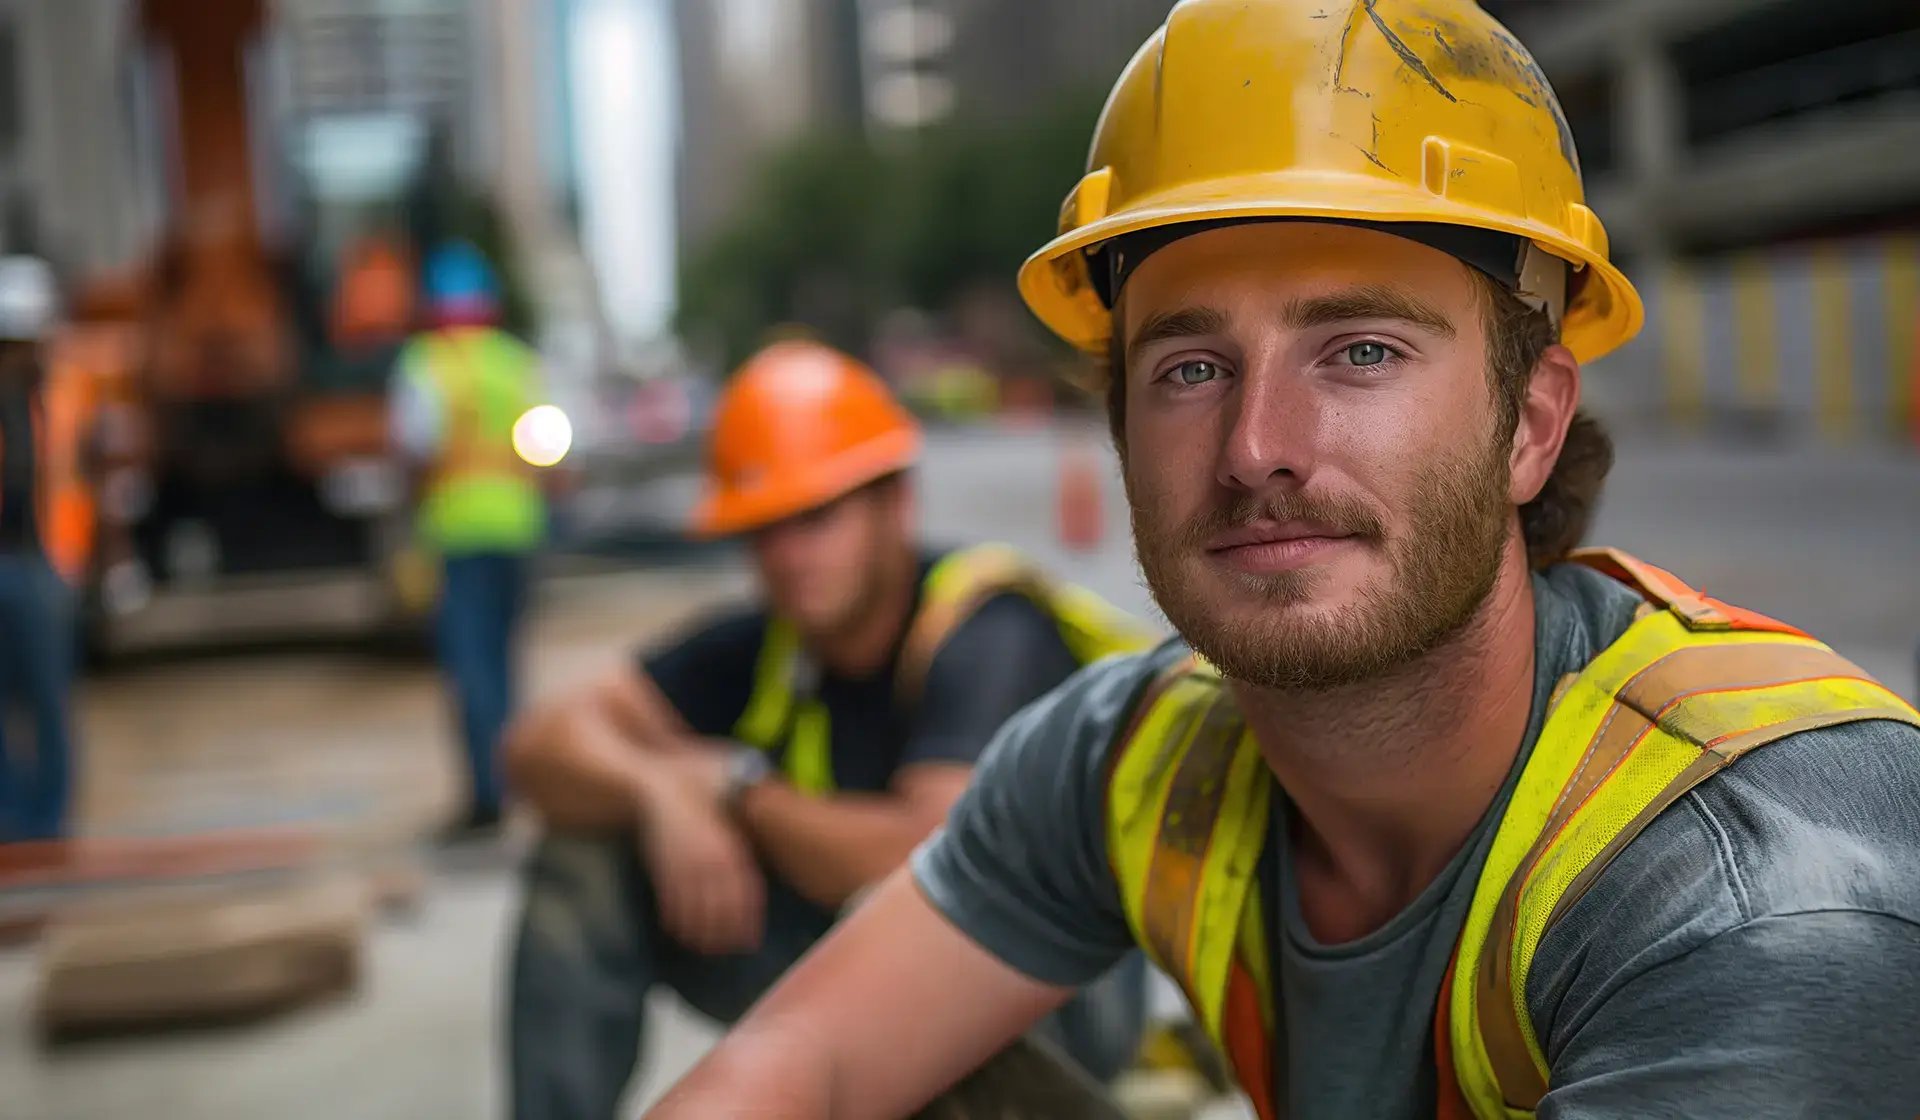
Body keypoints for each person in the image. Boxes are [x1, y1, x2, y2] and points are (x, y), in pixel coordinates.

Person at [647, 3, 1920, 1118]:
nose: (1257, 447)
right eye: (1190, 369)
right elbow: (795, 1065)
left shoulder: (1760, 901)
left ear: (1529, 422)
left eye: (1360, 349)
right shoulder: (1136, 757)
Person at [503, 339, 1157, 1120]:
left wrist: (737, 794)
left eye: (816, 518)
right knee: (586, 853)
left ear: (896, 505)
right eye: (764, 528)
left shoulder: (988, 632)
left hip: (1053, 1005)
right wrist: (661, 788)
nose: (787, 556)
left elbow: (932, 868)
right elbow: (538, 748)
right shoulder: (771, 641)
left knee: (889, 920)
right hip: (872, 980)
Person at [390, 241, 552, 834]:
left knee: (472, 668)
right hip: (517, 529)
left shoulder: (424, 366)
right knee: (506, 667)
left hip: (457, 533)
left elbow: (414, 450)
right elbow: (554, 449)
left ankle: (488, 797)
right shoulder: (515, 362)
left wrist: (408, 518)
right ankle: (517, 784)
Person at [0, 255, 92, 842]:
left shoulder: (61, 395)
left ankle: (48, 823)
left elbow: (83, 480)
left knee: (48, 701)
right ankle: (11, 822)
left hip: (44, 565)